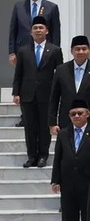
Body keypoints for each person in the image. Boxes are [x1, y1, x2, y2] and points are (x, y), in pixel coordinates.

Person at [12, 15, 63, 167]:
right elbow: (19, 73)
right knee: (30, 127)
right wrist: (16, 92)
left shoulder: (55, 50)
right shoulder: (23, 51)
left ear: (47, 31)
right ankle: (31, 156)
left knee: (44, 126)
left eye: (41, 28)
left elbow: (59, 73)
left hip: (46, 94)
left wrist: (59, 92)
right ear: (30, 32)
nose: (38, 30)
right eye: (35, 28)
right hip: (27, 94)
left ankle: (43, 155)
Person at [49, 35, 90, 131]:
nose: (81, 52)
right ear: (72, 51)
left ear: (89, 50)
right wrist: (52, 123)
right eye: (77, 49)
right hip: (67, 121)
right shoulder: (61, 70)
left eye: (84, 49)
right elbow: (54, 98)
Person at [8, 0, 61, 66]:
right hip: (23, 50)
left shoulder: (51, 7)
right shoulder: (19, 7)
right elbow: (13, 31)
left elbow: (56, 32)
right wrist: (12, 52)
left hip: (45, 51)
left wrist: (55, 52)